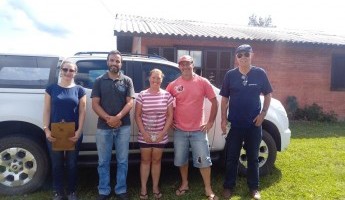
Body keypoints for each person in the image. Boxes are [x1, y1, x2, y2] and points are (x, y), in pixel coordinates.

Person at [220, 44, 273, 200]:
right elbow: (224, 99)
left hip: (253, 125)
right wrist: (223, 119)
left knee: (253, 157)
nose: (243, 57)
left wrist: (263, 114)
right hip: (235, 124)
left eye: (246, 54)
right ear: (236, 57)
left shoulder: (260, 73)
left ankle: (254, 188)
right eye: (240, 55)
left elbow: (268, 95)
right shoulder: (230, 75)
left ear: (252, 55)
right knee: (231, 157)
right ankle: (229, 186)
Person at [166, 55, 219, 200]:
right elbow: (165, 102)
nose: (185, 67)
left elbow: (215, 102)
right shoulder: (173, 84)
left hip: (198, 131)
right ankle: (184, 184)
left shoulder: (203, 82)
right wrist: (169, 120)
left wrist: (210, 122)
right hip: (179, 131)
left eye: (187, 64)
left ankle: (208, 189)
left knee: (204, 160)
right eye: (182, 64)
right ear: (179, 67)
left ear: (192, 65)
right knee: (181, 160)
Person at [91, 50, 135, 200]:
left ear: (121, 63)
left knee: (123, 160)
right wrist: (108, 119)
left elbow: (130, 102)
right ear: (107, 62)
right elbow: (95, 104)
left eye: (117, 61)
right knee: (103, 161)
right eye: (112, 60)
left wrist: (117, 117)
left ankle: (121, 189)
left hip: (124, 126)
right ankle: (104, 190)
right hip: (103, 127)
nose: (114, 63)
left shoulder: (127, 80)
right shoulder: (99, 80)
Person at [43, 61, 87, 200]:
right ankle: (57, 191)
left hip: (73, 133)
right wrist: (46, 130)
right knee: (56, 163)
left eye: (71, 70)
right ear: (61, 70)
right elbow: (47, 110)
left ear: (75, 72)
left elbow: (82, 112)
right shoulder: (51, 89)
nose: (68, 72)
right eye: (65, 69)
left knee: (72, 164)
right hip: (54, 132)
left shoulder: (80, 90)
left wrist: (79, 130)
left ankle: (71, 191)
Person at [135, 69, 174, 200]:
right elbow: (137, 116)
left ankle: (155, 187)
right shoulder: (142, 95)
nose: (156, 80)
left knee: (157, 161)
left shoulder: (167, 95)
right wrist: (144, 133)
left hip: (161, 136)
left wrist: (163, 133)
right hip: (144, 135)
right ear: (149, 78)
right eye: (153, 77)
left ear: (162, 79)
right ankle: (144, 188)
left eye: (158, 78)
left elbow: (170, 116)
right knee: (145, 161)